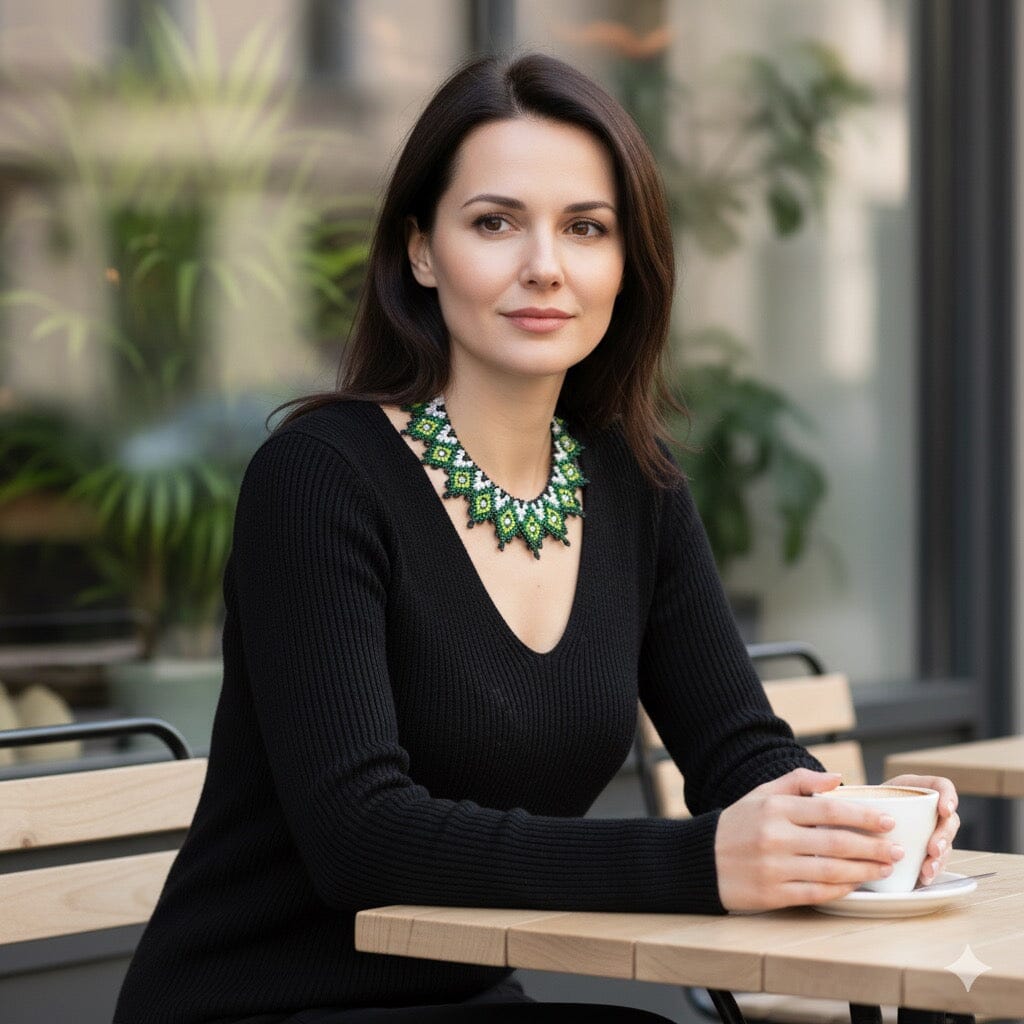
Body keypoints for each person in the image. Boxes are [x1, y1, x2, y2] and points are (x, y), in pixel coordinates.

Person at [114, 52, 962, 1024]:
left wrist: (843, 824)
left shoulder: (632, 484)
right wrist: (706, 860)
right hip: (258, 1004)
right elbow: (360, 838)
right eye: (494, 222)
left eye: (585, 228)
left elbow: (736, 749)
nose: (544, 266)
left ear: (624, 264)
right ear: (422, 251)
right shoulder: (318, 478)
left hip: (468, 997)